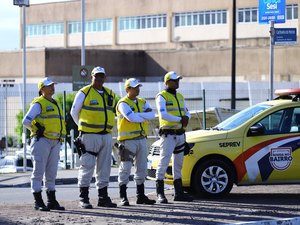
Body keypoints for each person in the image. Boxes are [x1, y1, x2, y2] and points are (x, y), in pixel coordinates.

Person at [70, 66, 117, 209]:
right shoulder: (84, 92)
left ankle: (103, 197)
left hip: (106, 135)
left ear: (105, 78)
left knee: (104, 168)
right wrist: (82, 127)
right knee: (87, 166)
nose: (99, 78)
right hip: (89, 136)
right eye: (96, 76)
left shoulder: (110, 94)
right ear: (91, 77)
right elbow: (74, 112)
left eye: (101, 76)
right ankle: (83, 198)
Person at [22, 77, 66, 211]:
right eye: (49, 86)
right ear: (41, 89)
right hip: (42, 141)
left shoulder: (55, 102)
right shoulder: (39, 103)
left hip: (55, 141)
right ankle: (38, 201)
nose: (52, 88)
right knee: (38, 172)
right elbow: (26, 121)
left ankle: (51, 200)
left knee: (51, 173)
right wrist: (35, 129)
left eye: (53, 85)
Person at [116, 78, 156, 206]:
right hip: (127, 142)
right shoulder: (122, 103)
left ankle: (140, 196)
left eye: (138, 87)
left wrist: (138, 115)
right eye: (134, 87)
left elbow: (152, 115)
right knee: (125, 168)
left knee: (142, 168)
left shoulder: (142, 101)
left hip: (141, 139)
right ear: (127, 89)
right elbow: (130, 117)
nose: (137, 89)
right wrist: (142, 115)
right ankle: (123, 196)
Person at [155, 71, 193, 203]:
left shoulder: (180, 96)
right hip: (168, 135)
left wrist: (186, 118)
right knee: (163, 162)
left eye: (178, 80)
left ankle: (179, 193)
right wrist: (180, 120)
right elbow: (163, 115)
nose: (177, 82)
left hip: (180, 135)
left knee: (178, 165)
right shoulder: (161, 96)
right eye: (174, 80)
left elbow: (187, 112)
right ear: (167, 82)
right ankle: (160, 194)